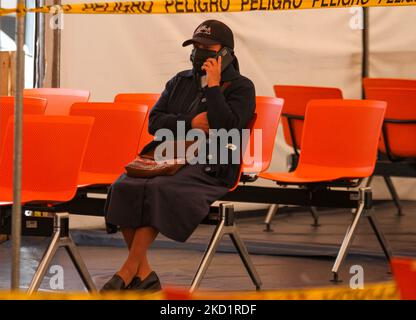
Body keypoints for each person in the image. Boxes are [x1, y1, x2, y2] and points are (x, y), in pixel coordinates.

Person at [101, 20, 256, 291]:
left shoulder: (242, 87)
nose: (199, 52)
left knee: (161, 187)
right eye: (196, 46)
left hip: (214, 163)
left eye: (208, 47)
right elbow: (155, 122)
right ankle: (144, 273)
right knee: (124, 185)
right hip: (168, 156)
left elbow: (228, 128)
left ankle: (128, 271)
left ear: (226, 53)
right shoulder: (179, 81)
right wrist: (190, 123)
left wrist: (213, 87)